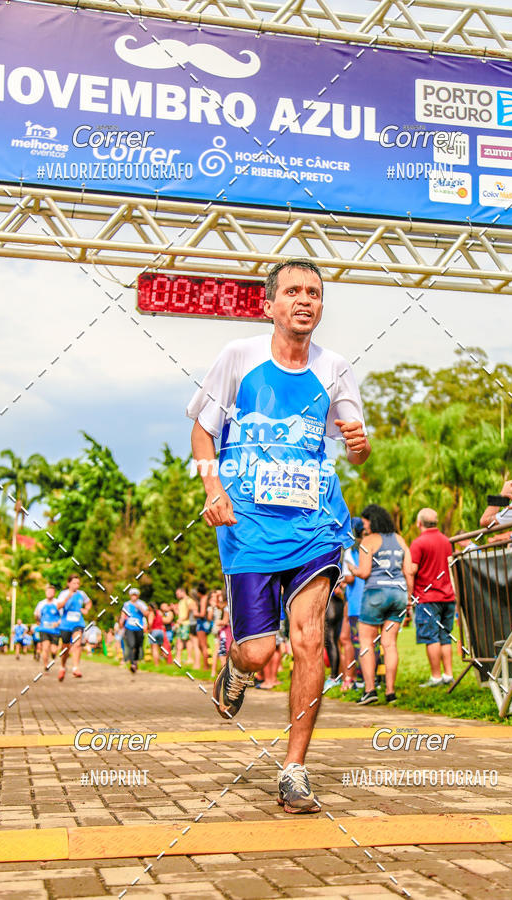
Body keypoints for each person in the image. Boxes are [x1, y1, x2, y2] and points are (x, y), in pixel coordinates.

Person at [187, 258, 370, 814]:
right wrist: (211, 488)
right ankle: (236, 668)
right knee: (259, 650)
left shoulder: (335, 367)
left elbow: (357, 442)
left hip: (314, 522)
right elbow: (201, 431)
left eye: (313, 293)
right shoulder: (238, 359)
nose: (305, 300)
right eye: (292, 291)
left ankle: (295, 769)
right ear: (269, 305)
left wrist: (358, 443)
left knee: (310, 638)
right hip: (248, 526)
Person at [349, 504, 412, 705]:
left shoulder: (369, 541)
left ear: (373, 521)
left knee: (366, 642)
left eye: (365, 523)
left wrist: (351, 568)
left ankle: (369, 690)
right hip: (399, 594)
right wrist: (409, 598)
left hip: (376, 594)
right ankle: (391, 692)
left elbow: (365, 572)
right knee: (390, 643)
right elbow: (408, 570)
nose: (364, 527)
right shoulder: (400, 540)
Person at [409, 507, 456, 687]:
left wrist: (410, 595)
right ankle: (448, 674)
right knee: (445, 636)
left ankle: (436, 676)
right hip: (447, 596)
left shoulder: (418, 543)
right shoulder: (446, 541)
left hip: (427, 597)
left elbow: (412, 569)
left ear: (419, 523)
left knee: (431, 637)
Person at [339, 518, 365, 691]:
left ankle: (353, 678)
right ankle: (360, 678)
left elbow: (349, 578)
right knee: (362, 641)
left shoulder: (351, 551)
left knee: (353, 641)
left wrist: (340, 580)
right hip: (368, 600)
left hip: (355, 602)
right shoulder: (370, 548)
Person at [56, 574, 92, 680]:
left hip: (78, 623)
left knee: (77, 644)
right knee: (65, 648)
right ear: (68, 584)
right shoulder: (63, 594)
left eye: (78, 583)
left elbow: (88, 602)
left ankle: (76, 668)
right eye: (74, 583)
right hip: (66, 624)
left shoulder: (82, 594)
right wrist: (68, 597)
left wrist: (86, 609)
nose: (76, 585)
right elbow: (58, 606)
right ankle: (63, 667)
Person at [120, 588, 148, 673]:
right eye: (132, 595)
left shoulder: (142, 604)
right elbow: (123, 613)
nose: (134, 597)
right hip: (129, 627)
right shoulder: (126, 604)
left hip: (139, 627)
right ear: (130, 595)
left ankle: (135, 661)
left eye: (135, 595)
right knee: (131, 645)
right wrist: (121, 621)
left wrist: (139, 607)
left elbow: (146, 613)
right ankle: (132, 664)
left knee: (138, 645)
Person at [323, 582, 345, 690]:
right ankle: (336, 676)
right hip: (338, 602)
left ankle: (334, 677)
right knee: (334, 641)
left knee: (330, 641)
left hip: (330, 601)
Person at [38, 590, 62, 671]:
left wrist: (58, 623)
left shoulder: (57, 603)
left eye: (51, 592)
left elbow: (63, 616)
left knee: (54, 650)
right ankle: (46, 665)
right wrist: (38, 621)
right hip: (44, 629)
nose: (49, 593)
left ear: (54, 593)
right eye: (48, 592)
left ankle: (54, 654)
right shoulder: (41, 603)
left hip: (55, 630)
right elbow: (37, 615)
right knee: (45, 648)